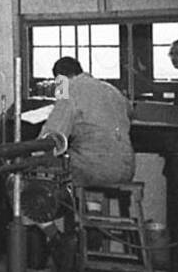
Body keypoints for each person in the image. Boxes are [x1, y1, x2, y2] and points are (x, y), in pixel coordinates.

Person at [39, 57, 134, 185]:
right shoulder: (111, 89)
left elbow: (54, 133)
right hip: (126, 168)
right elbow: (129, 112)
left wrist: (32, 153)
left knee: (44, 169)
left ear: (60, 78)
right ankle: (92, 205)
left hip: (97, 169)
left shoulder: (69, 89)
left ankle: (76, 205)